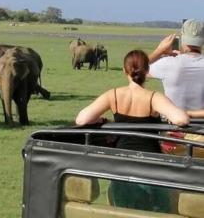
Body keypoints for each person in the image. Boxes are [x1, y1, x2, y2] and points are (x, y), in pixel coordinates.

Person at [75, 49, 190, 213]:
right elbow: (182, 119)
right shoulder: (153, 97)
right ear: (147, 71)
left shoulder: (113, 95)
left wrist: (101, 121)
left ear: (124, 71)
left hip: (122, 170)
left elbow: (81, 119)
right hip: (151, 169)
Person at [148, 19, 204, 111]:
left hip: (173, 122)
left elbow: (135, 69)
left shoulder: (168, 63)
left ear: (182, 39)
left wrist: (159, 50)